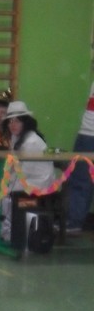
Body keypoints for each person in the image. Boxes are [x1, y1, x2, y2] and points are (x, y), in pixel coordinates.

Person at [0, 100, 55, 241]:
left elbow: (24, 172)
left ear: (25, 122)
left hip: (38, 181)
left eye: (17, 121)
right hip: (27, 178)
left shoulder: (31, 142)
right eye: (10, 121)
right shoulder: (17, 137)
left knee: (3, 194)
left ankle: (8, 233)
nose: (13, 125)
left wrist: (6, 182)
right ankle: (2, 230)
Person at [66, 82, 94, 234]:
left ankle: (74, 221)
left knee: (80, 181)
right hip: (87, 133)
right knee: (80, 180)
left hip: (89, 135)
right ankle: (74, 220)